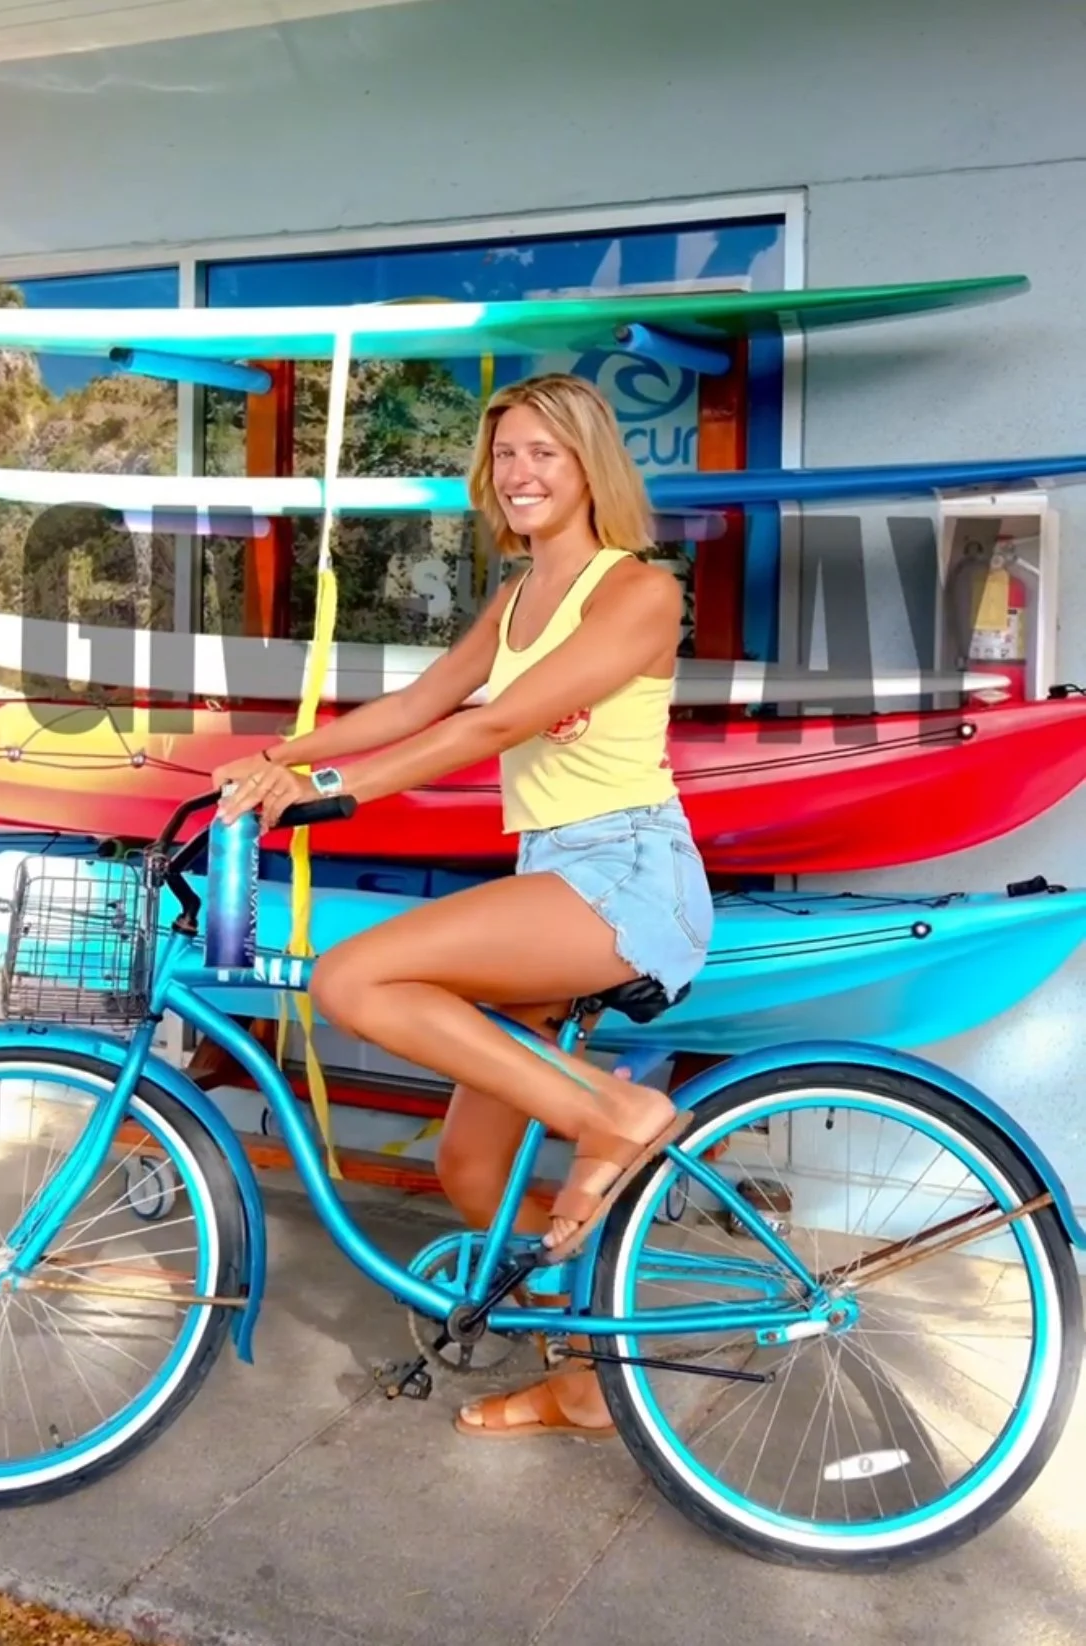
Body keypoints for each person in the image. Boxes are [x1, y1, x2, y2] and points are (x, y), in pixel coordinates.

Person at [213, 372, 714, 1440]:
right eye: (506, 454)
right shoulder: (518, 594)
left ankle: (613, 1111)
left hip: (626, 876)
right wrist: (274, 757)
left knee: (355, 976)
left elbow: (490, 729)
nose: (521, 472)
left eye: (545, 452)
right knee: (470, 1166)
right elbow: (419, 703)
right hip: (554, 870)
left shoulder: (639, 589)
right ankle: (586, 1373)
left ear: (589, 466)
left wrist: (330, 793)